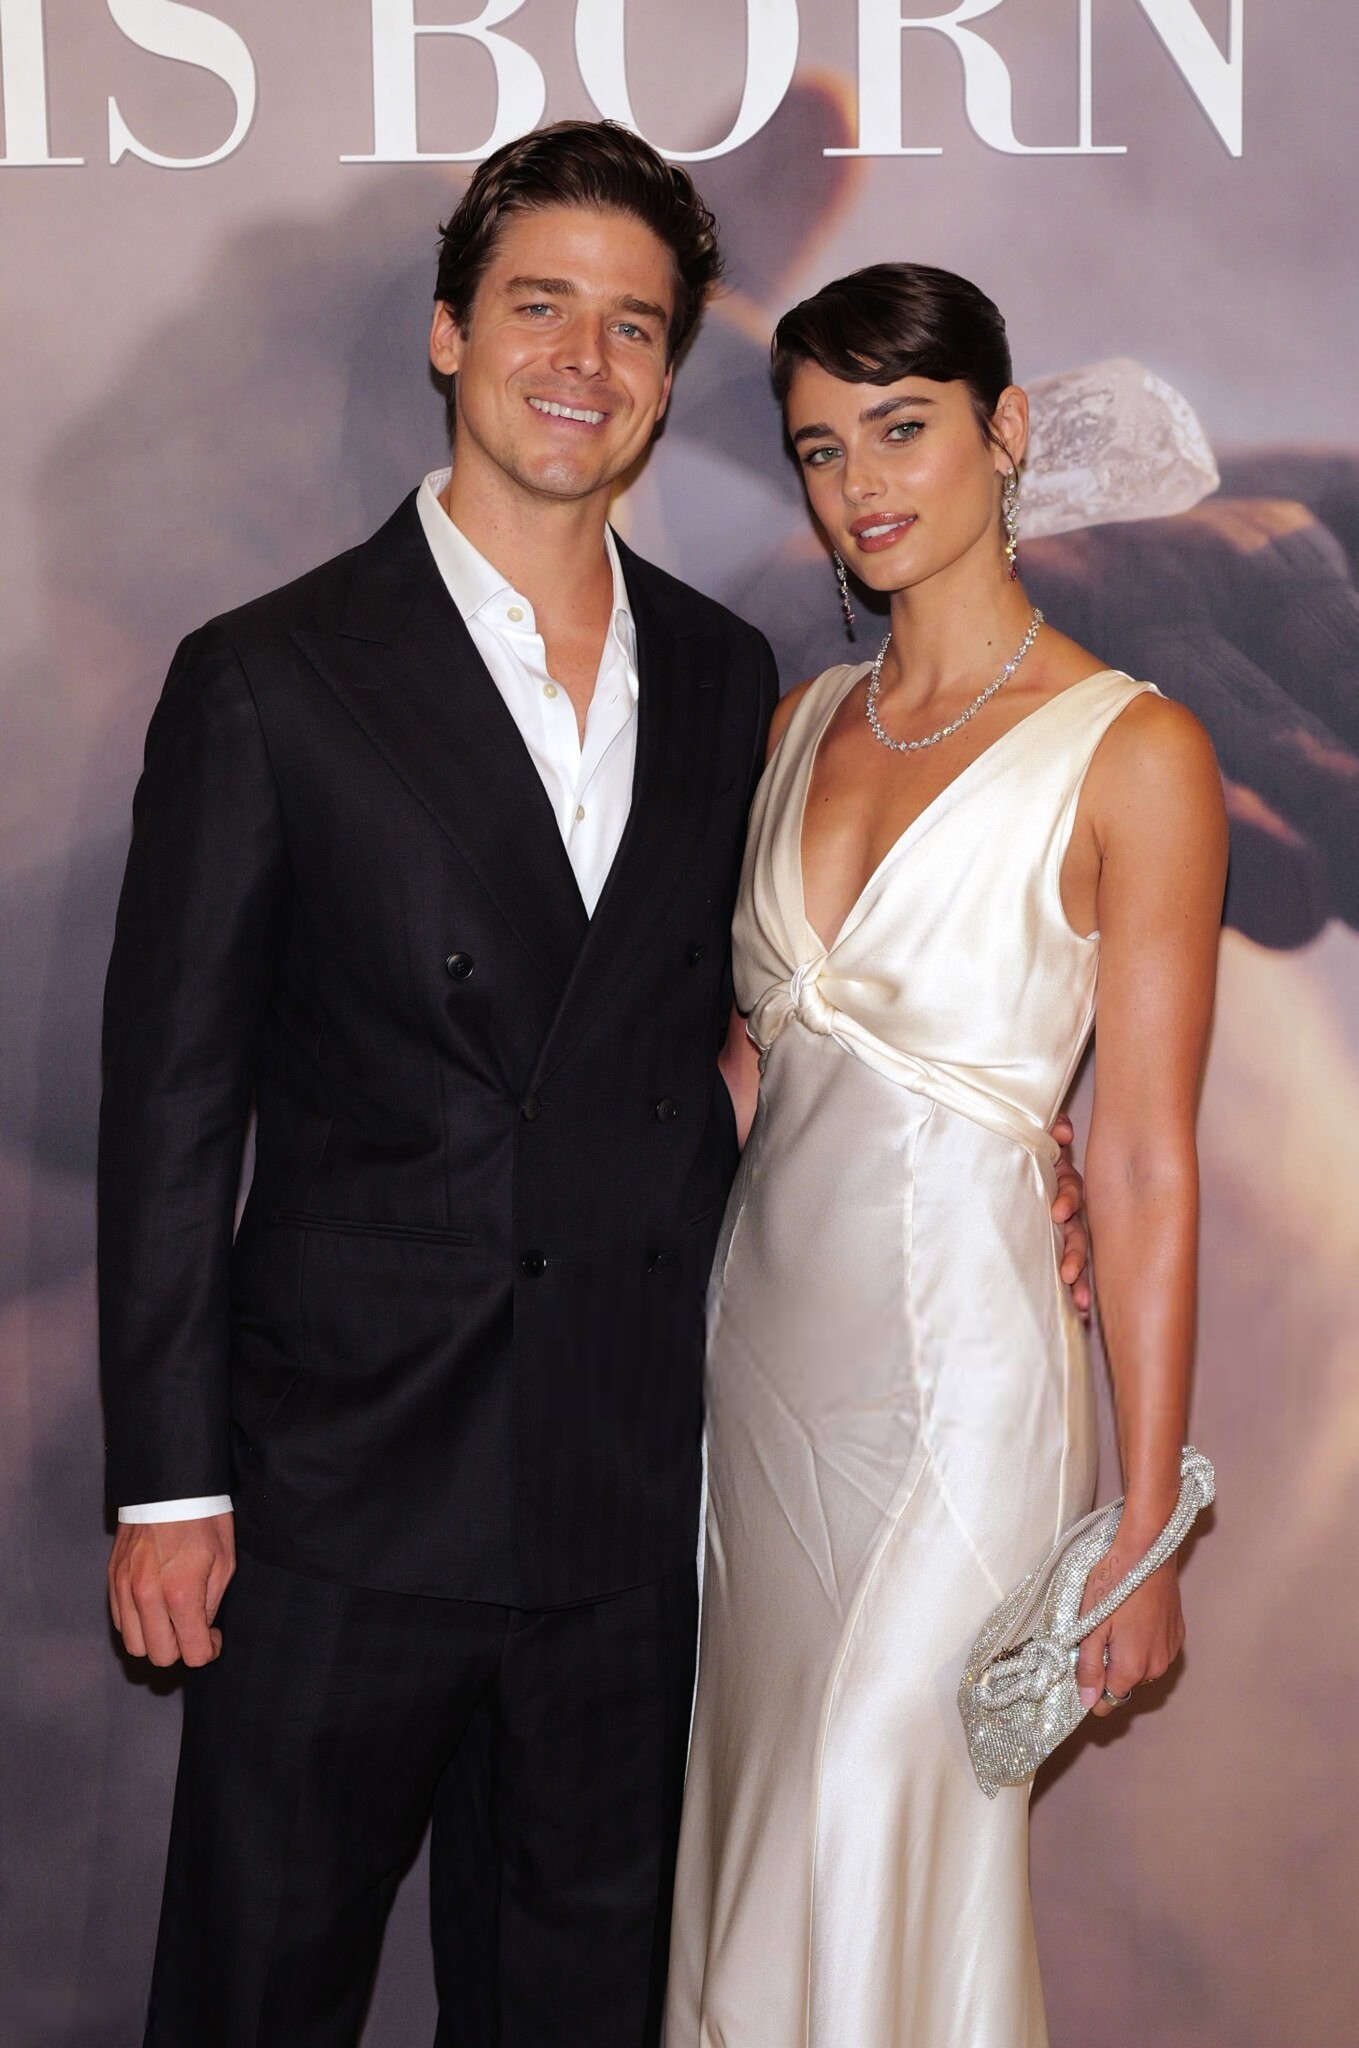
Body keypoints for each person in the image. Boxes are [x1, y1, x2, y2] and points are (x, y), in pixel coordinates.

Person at [98, 127, 1089, 2042]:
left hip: (630, 1498)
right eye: (539, 306)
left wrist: (1004, 1143)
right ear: (450, 335)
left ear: (669, 369)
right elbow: (170, 1112)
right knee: (253, 1997)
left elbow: (780, 1016)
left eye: (635, 324)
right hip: (335, 1500)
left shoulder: (731, 680)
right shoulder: (268, 673)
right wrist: (169, 1484)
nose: (585, 357)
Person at [665, 264, 1227, 2048]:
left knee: (864, 1815)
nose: (862, 484)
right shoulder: (795, 726)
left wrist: (1143, 1525)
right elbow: (749, 1084)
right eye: (821, 448)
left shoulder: (1135, 751)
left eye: (902, 428)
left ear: (1007, 430)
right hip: (757, 1385)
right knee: (762, 1829)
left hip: (963, 1390)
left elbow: (1142, 1161)